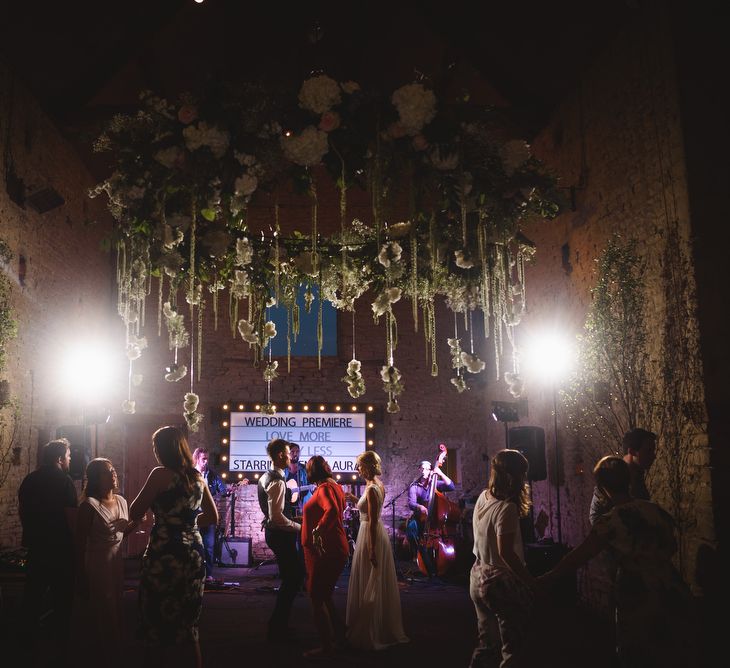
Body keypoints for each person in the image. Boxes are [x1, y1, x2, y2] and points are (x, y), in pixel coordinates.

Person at [539, 456, 696, 668]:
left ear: (602, 488)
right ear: (628, 480)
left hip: (637, 594)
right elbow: (672, 546)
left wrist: (550, 576)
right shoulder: (656, 510)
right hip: (670, 587)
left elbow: (581, 555)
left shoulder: (611, 521)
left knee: (639, 655)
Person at [130, 426, 218, 668]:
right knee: (188, 623)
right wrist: (187, 521)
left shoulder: (159, 475)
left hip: (165, 552)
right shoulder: (196, 476)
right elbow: (212, 517)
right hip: (192, 554)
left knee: (156, 618)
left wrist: (169, 521)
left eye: (155, 447)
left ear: (161, 449)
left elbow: (135, 511)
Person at [469, 449, 535, 668]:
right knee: (512, 648)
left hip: (478, 574)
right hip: (499, 581)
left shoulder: (483, 496)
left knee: (487, 644)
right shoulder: (506, 508)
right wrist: (530, 581)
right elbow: (506, 552)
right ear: (515, 476)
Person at [18, 438, 78, 664]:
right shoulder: (64, 481)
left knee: (32, 594)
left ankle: (26, 640)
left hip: (37, 546)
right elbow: (71, 517)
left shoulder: (30, 479)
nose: (70, 460)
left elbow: (23, 511)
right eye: (69, 456)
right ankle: (61, 644)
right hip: (60, 548)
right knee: (62, 598)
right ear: (59, 459)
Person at [345, 450, 409, 650]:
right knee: (372, 578)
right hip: (372, 531)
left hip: (370, 534)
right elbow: (369, 509)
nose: (358, 470)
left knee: (370, 578)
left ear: (369, 467)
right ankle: (378, 625)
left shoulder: (372, 488)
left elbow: (372, 520)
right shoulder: (375, 485)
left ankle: (371, 629)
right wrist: (354, 501)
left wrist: (372, 549)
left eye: (360, 466)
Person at [75, 458, 136, 663]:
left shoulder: (121, 501)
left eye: (113, 470)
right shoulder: (89, 506)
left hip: (116, 561)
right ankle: (101, 654)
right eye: (107, 472)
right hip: (98, 562)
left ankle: (116, 652)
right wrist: (80, 574)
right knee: (104, 608)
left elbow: (120, 535)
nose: (113, 474)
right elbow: (79, 541)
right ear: (95, 478)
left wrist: (136, 524)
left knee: (117, 605)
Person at [300, 455, 349, 657]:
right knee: (325, 594)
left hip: (325, 550)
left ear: (311, 472)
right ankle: (340, 636)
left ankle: (326, 648)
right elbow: (336, 510)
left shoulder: (324, 489)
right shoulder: (334, 487)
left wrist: (317, 530)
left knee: (316, 597)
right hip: (332, 547)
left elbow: (331, 511)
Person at [257, 438, 305, 642]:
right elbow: (276, 517)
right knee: (294, 579)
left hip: (275, 532)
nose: (291, 456)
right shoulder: (277, 480)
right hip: (279, 535)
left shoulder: (266, 476)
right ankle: (277, 627)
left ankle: (279, 625)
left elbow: (272, 513)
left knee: (291, 578)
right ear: (280, 455)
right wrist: (300, 527)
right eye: (288, 452)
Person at [589, 427, 656, 525]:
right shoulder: (611, 477)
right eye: (648, 451)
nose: (654, 456)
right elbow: (595, 518)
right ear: (632, 452)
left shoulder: (638, 478)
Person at [406, 456, 455, 578]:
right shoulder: (414, 486)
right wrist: (420, 507)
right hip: (421, 517)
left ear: (430, 470)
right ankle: (417, 553)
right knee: (411, 530)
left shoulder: (435, 484)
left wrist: (440, 472)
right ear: (419, 470)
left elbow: (451, 486)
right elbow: (411, 504)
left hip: (435, 519)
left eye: (427, 469)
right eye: (422, 469)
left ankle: (435, 567)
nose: (424, 471)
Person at [192, 447, 229, 582]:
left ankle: (208, 575)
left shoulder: (212, 475)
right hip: (194, 514)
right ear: (197, 458)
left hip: (208, 515)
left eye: (207, 459)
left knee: (209, 545)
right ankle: (194, 573)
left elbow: (223, 490)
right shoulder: (190, 474)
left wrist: (229, 490)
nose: (206, 462)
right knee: (194, 545)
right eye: (203, 459)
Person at [285, 442, 313, 515]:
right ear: (287, 453)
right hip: (286, 505)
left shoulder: (305, 469)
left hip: (302, 505)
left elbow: (310, 485)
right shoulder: (283, 469)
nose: (295, 454)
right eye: (292, 452)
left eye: (297, 452)